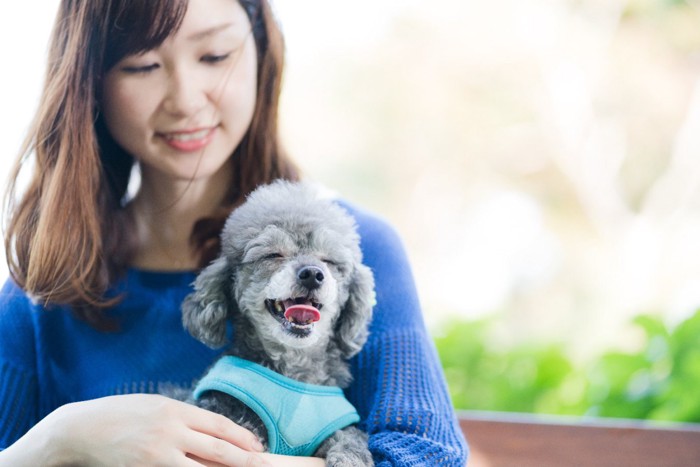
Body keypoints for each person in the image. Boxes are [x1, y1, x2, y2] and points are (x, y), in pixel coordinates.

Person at [0, 0, 469, 465]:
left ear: (262, 55)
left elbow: (428, 457)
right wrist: (62, 438)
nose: (185, 99)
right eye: (142, 64)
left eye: (215, 56)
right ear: (90, 81)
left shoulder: (359, 251)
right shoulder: (45, 285)